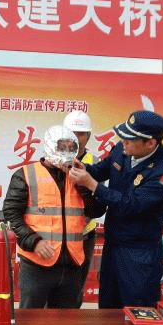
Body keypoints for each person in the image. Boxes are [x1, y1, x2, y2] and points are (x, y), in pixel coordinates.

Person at [68, 110, 163, 308]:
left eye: (129, 139)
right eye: (123, 136)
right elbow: (101, 170)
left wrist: (92, 185)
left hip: (139, 251)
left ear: (150, 143)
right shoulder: (122, 149)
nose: (123, 142)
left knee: (137, 309)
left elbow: (131, 204)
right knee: (108, 307)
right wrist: (81, 168)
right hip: (112, 243)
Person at [3, 125, 104, 308]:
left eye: (71, 148)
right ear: (49, 146)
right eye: (61, 147)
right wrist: (34, 242)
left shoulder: (80, 175)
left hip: (72, 264)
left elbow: (96, 211)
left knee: (67, 321)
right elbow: (11, 216)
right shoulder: (26, 175)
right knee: (31, 320)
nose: (67, 152)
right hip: (36, 265)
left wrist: (83, 184)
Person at [64, 109, 101, 305]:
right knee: (49, 287)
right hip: (54, 235)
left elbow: (99, 201)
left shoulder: (96, 163)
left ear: (88, 136)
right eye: (72, 133)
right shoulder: (52, 159)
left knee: (74, 289)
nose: (77, 138)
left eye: (81, 134)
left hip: (83, 236)